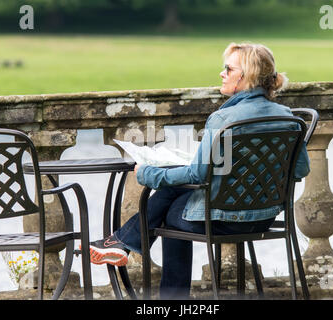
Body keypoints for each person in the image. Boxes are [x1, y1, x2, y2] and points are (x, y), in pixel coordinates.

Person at [87, 42, 310, 299]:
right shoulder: (289, 118)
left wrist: (149, 174)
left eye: (228, 68)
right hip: (265, 217)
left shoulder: (223, 119)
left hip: (224, 221)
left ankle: (157, 282)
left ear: (245, 77)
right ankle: (121, 244)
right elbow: (300, 170)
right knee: (174, 196)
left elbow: (197, 175)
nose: (222, 73)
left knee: (169, 209)